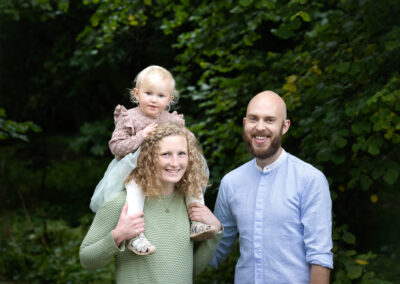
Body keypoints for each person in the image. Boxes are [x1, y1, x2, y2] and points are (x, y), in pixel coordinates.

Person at [89, 65, 217, 255]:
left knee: (193, 176)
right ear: (136, 93)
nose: (153, 99)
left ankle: (198, 220)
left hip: (165, 169)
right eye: (148, 93)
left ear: (170, 99)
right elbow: (116, 147)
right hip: (135, 168)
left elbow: (188, 143)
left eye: (160, 95)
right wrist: (141, 136)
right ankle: (135, 235)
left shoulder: (172, 120)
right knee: (135, 187)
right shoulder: (129, 117)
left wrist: (186, 140)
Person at [210, 91, 333, 283]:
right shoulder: (230, 182)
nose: (260, 127)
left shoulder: (310, 179)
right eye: (253, 119)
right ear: (245, 123)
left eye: (269, 120)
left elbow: (320, 258)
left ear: (284, 126)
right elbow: (215, 251)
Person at [80, 122, 223, 283]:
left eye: (182, 154)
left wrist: (216, 232)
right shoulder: (122, 203)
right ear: (147, 157)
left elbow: (193, 269)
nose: (175, 163)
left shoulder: (190, 205)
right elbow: (86, 260)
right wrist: (118, 235)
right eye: (166, 154)